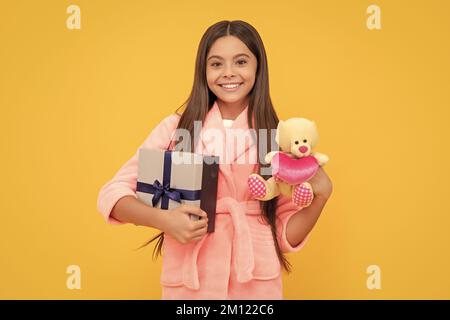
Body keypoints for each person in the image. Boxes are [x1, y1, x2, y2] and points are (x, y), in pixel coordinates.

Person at [97, 20, 333, 299]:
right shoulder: (177, 129)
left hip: (256, 288)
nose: (229, 73)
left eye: (241, 61)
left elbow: (284, 235)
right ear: (203, 70)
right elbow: (112, 194)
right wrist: (165, 220)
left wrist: (322, 196)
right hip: (191, 290)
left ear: (258, 67)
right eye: (217, 64)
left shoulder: (277, 136)